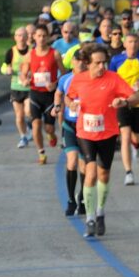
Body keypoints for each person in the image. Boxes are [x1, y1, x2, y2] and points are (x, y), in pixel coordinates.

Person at [65, 44, 139, 238]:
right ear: (88, 64)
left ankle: (100, 212)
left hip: (107, 133)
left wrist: (123, 102)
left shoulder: (113, 79)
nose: (102, 66)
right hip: (85, 133)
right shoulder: (78, 79)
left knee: (104, 174)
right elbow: (68, 97)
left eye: (104, 62)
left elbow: (136, 97)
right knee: (90, 172)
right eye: (97, 63)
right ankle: (89, 218)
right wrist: (71, 103)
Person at [109, 34, 139, 186]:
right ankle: (128, 172)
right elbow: (110, 80)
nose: (133, 44)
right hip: (122, 103)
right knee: (125, 135)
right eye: (130, 41)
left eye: (136, 41)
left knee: (137, 137)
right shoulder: (116, 60)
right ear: (124, 44)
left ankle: (138, 146)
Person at [18, 25, 63, 165]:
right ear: (34, 37)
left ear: (48, 37)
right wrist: (24, 80)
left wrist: (55, 83)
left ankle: (51, 134)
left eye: (44, 36)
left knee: (49, 128)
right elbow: (23, 73)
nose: (42, 38)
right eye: (39, 35)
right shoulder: (30, 55)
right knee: (36, 124)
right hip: (35, 94)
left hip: (50, 96)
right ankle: (41, 153)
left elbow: (65, 73)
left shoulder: (55, 54)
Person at [55, 47, 86, 216]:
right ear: (72, 61)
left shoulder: (92, 79)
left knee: (84, 165)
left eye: (84, 60)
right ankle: (70, 200)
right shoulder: (66, 78)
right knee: (72, 161)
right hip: (70, 125)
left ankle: (81, 198)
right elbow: (59, 94)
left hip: (87, 126)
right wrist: (58, 106)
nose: (80, 63)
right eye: (78, 59)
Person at [3, 27, 31, 149]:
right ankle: (23, 137)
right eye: (18, 35)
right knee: (19, 116)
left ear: (27, 37)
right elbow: (4, 66)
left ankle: (30, 124)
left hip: (29, 87)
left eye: (23, 35)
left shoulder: (32, 51)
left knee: (28, 111)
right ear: (15, 37)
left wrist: (29, 79)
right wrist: (7, 70)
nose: (21, 38)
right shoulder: (11, 52)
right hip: (15, 87)